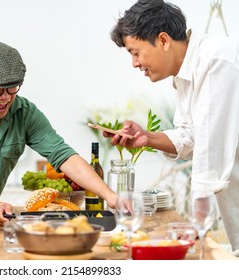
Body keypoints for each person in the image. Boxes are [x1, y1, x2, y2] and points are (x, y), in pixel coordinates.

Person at [0, 40, 117, 250]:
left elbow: (63, 155)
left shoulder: (25, 113)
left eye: (12, 88)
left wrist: (110, 196)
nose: (5, 98)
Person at [108, 0, 239, 256]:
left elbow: (212, 147)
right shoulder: (185, 74)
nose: (135, 64)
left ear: (164, 40)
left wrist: (196, 223)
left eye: (136, 52)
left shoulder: (215, 60)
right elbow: (191, 135)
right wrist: (147, 137)